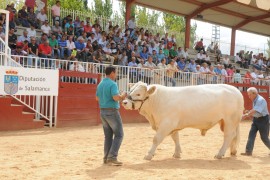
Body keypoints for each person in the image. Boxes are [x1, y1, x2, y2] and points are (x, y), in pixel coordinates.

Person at [96, 66, 127, 166]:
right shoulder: (113, 84)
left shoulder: (100, 84)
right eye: (116, 72)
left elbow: (97, 98)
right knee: (119, 134)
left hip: (103, 111)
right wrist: (122, 96)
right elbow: (115, 97)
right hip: (112, 111)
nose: (116, 74)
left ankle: (106, 158)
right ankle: (112, 157)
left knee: (108, 136)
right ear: (112, 73)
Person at [241, 87, 270, 156]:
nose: (249, 96)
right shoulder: (255, 99)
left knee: (264, 137)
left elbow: (255, 110)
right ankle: (248, 151)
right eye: (248, 95)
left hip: (263, 120)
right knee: (251, 134)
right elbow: (254, 110)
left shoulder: (260, 100)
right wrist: (248, 112)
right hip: (256, 119)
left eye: (250, 95)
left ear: (254, 93)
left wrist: (246, 115)